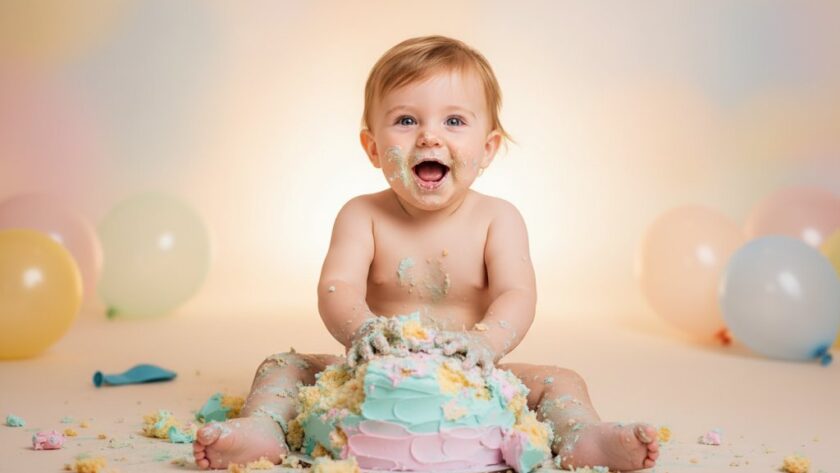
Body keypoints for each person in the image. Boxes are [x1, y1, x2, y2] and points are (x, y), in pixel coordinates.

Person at [193, 35, 659, 472]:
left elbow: (517, 295)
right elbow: (337, 287)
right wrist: (362, 330)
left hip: (469, 371)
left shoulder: (499, 218)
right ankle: (265, 427)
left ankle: (582, 436)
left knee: (561, 379)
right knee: (284, 365)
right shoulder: (362, 215)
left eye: (454, 121)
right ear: (373, 148)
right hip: (374, 369)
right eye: (406, 120)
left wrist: (486, 342)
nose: (429, 137)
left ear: (488, 148)